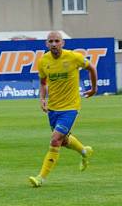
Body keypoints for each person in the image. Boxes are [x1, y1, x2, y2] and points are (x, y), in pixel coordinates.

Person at [29, 31, 97, 187]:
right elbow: (43, 82)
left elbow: (91, 68)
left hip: (70, 107)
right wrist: (42, 99)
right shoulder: (43, 61)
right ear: (46, 44)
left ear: (62, 43)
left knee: (55, 139)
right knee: (64, 141)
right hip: (53, 108)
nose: (54, 44)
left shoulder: (74, 57)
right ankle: (85, 151)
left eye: (57, 41)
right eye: (51, 41)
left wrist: (94, 88)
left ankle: (41, 178)